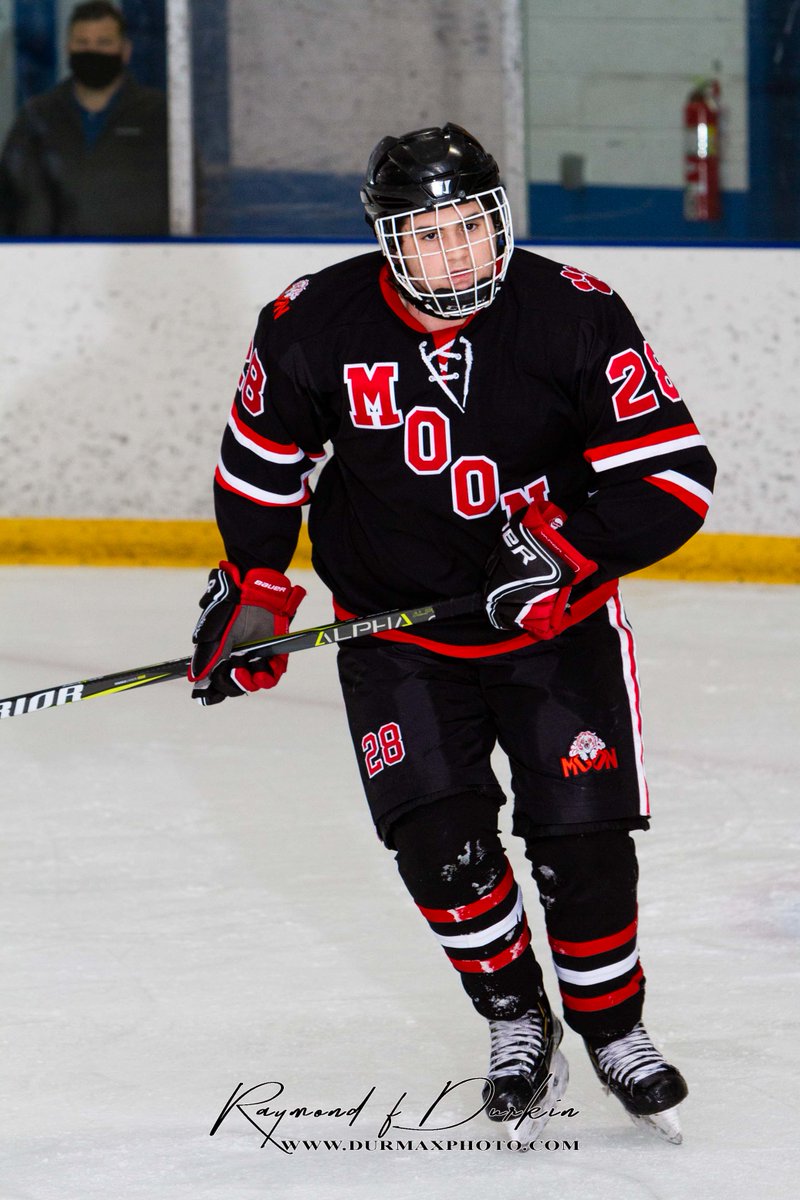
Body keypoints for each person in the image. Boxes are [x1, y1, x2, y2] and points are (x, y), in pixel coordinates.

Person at [188, 123, 716, 1145]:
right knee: (441, 850)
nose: (456, 256)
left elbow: (674, 474)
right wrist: (254, 586)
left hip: (553, 628)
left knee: (585, 845)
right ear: (388, 241)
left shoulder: (574, 314)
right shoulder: (310, 322)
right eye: (426, 236)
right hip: (399, 639)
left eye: (471, 227)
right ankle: (517, 1016)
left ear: (499, 219)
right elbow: (262, 466)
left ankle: (611, 1030)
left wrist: (569, 551)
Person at [0, 1, 168, 237]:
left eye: (104, 43)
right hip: (45, 265)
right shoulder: (36, 116)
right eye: (83, 43)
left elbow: (189, 194)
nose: (93, 51)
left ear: (125, 51)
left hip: (137, 264)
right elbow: (7, 196)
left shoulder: (159, 115)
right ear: (68, 48)